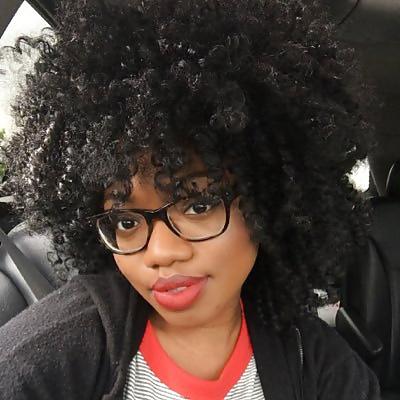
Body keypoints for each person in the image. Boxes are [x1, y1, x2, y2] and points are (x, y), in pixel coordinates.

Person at [0, 0, 380, 399]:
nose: (161, 253)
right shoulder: (49, 357)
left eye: (199, 205)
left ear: (270, 203)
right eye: (126, 221)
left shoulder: (322, 367)